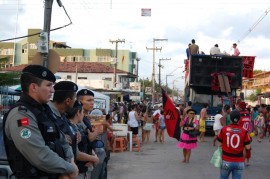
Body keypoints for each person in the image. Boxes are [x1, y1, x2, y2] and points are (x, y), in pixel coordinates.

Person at [3, 65, 78, 178]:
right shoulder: (21, 115)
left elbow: (62, 140)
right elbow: (39, 155)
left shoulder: (44, 110)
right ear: (33, 87)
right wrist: (70, 168)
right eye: (49, 85)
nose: (53, 90)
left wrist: (70, 161)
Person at [49, 81, 99, 179]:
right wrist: (71, 167)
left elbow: (70, 146)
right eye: (74, 99)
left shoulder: (63, 117)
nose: (75, 102)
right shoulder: (48, 115)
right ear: (68, 101)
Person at [66, 100, 100, 179]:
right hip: (77, 172)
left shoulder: (77, 127)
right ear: (78, 112)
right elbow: (76, 153)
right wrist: (94, 158)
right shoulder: (70, 129)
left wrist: (92, 156)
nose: (83, 115)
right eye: (82, 112)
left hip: (83, 170)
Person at [217, 110, 251, 179]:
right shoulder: (244, 131)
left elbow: (219, 144)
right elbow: (248, 147)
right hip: (239, 161)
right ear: (240, 119)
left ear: (230, 119)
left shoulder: (224, 129)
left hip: (226, 160)